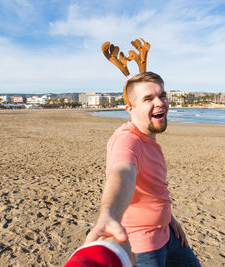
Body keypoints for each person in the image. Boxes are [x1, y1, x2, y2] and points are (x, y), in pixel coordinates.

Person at [85, 72, 201, 266]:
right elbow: (122, 173)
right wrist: (108, 214)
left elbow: (152, 190)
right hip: (143, 245)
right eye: (148, 99)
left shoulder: (148, 138)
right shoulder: (128, 140)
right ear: (130, 108)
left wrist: (169, 218)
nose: (160, 102)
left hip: (168, 234)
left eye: (162, 95)